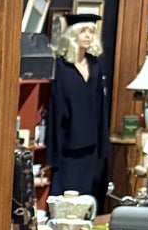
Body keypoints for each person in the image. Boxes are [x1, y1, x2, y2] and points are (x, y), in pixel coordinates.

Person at [47, 19, 109, 203]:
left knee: (86, 198)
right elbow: (55, 109)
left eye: (91, 31)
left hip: (90, 144)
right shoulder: (61, 67)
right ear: (73, 35)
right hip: (67, 144)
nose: (88, 36)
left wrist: (102, 143)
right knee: (65, 198)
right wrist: (54, 151)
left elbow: (101, 106)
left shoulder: (95, 65)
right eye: (83, 31)